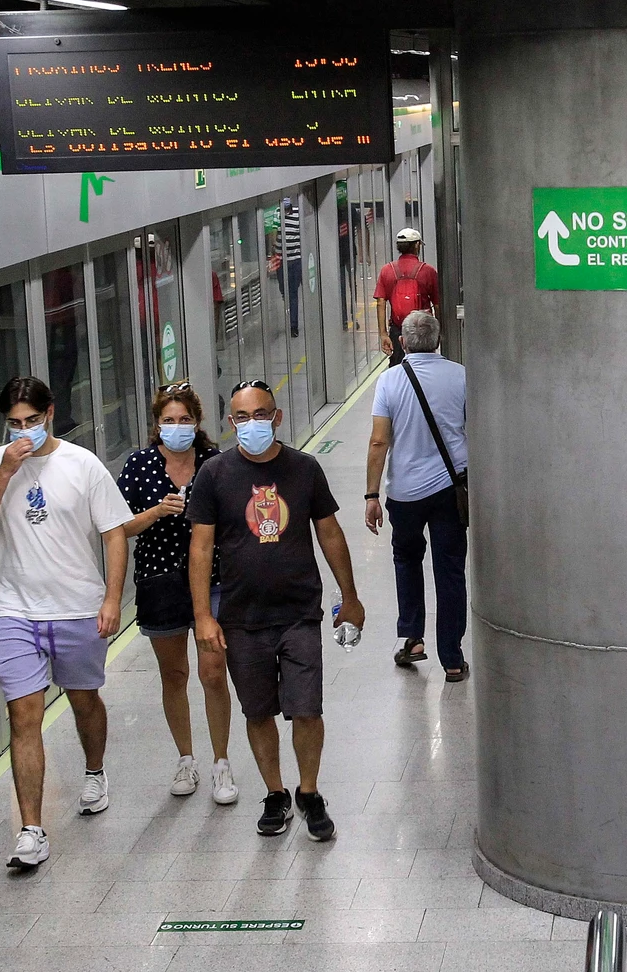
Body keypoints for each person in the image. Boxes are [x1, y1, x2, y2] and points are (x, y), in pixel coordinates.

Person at [0, 377, 131, 869]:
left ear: (50, 414)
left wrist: (112, 599)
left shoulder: (82, 465)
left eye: (31, 421)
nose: (23, 431)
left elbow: (115, 534)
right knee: (24, 715)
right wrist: (4, 474)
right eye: (14, 423)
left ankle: (95, 769)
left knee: (83, 700)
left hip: (76, 606)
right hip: (12, 610)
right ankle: (31, 830)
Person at [188, 380, 366, 840]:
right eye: (243, 417)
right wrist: (203, 616)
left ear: (278, 416)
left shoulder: (304, 469)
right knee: (258, 711)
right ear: (231, 423)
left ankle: (308, 791)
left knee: (307, 708)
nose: (253, 425)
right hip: (241, 618)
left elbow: (329, 533)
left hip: (299, 612)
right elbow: (201, 548)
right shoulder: (214, 475)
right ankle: (275, 792)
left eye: (261, 414)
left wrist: (350, 596)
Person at [117, 385, 238, 805]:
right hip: (159, 580)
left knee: (212, 671)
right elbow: (119, 527)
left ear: (197, 422)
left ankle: (221, 762)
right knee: (175, 675)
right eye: (168, 421)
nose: (176, 427)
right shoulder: (140, 465)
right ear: (156, 425)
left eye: (184, 419)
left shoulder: (215, 463)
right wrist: (157, 512)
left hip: (214, 580)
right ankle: (186, 758)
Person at [363, 310, 470, 681]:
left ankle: (413, 637)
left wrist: (371, 495)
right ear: (438, 340)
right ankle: (453, 658)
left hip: (405, 493)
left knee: (407, 560)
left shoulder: (389, 381)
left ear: (404, 342)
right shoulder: (460, 375)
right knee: (450, 569)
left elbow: (379, 441)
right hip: (449, 489)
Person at [372, 227, 440, 367]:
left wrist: (384, 334)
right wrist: (440, 330)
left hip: (398, 329)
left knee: (399, 367)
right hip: (424, 329)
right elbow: (438, 303)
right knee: (424, 367)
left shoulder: (387, 270)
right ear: (416, 245)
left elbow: (381, 302)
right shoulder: (428, 271)